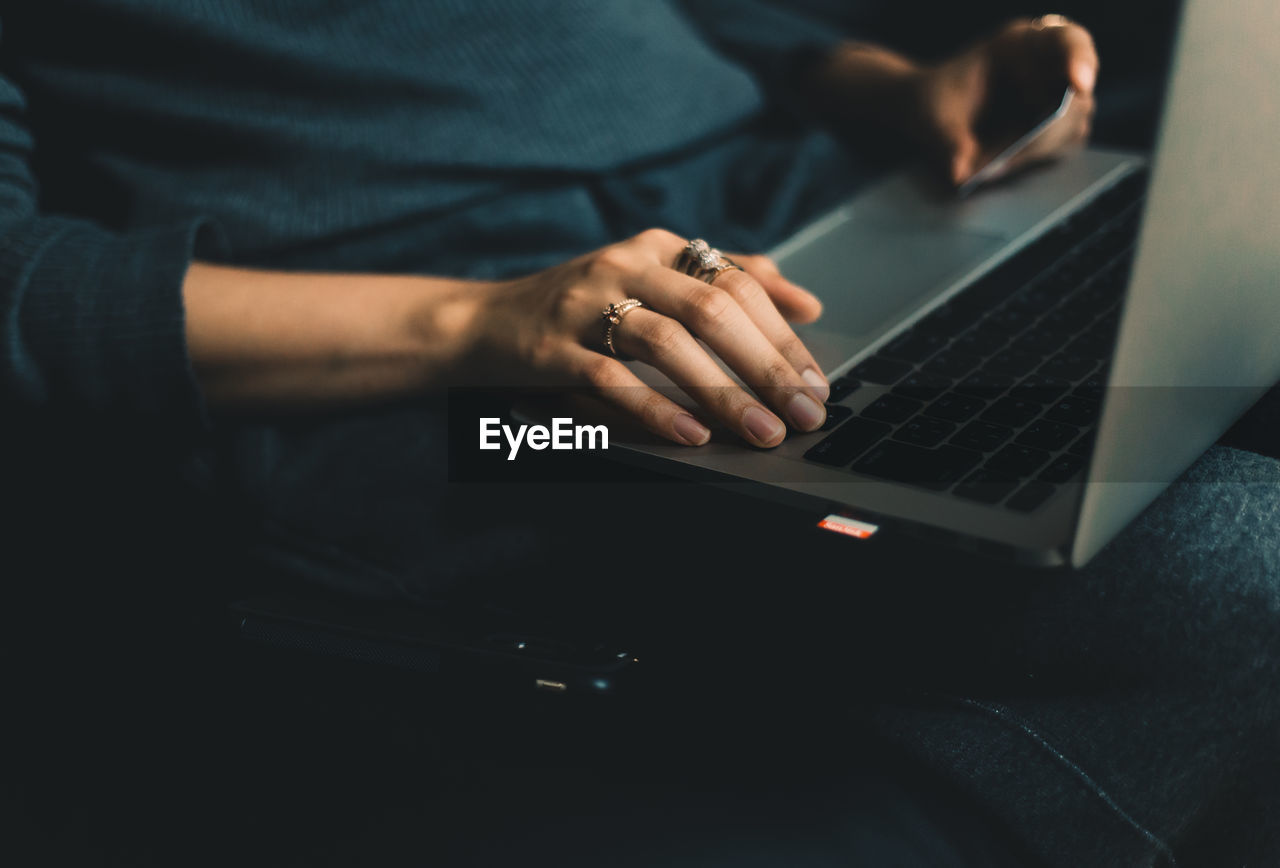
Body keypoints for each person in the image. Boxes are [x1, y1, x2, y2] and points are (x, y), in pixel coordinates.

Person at [2, 2, 1276, 866]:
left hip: (782, 208)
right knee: (1235, 562)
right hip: (449, 379)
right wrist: (479, 324)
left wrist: (893, 88)